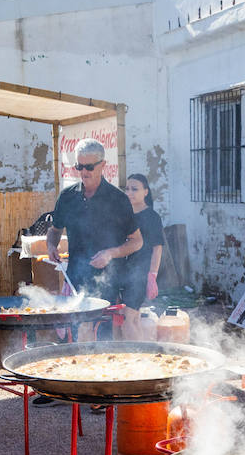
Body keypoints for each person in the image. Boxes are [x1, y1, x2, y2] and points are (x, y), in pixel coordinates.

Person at [45, 138, 141, 323]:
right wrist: (51, 245)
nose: (83, 172)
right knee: (77, 335)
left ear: (103, 165)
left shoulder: (118, 199)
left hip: (109, 282)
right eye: (79, 167)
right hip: (75, 280)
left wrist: (111, 253)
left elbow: (137, 241)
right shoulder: (67, 197)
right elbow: (55, 229)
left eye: (89, 167)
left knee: (102, 340)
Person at [122, 173, 164, 339]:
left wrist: (152, 275)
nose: (129, 193)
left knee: (128, 318)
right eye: (127, 189)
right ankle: (143, 355)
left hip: (140, 274)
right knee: (134, 318)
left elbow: (157, 248)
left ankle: (135, 356)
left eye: (135, 189)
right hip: (124, 273)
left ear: (146, 192)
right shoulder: (125, 214)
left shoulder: (152, 217)